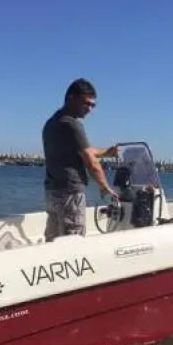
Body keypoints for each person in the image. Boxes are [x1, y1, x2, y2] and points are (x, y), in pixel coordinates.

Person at [42, 78, 119, 242]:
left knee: (52, 240)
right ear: (71, 98)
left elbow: (85, 150)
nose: (89, 109)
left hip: (52, 191)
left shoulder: (51, 123)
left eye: (93, 106)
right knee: (73, 241)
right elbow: (91, 162)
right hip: (71, 194)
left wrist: (106, 153)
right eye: (86, 103)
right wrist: (104, 187)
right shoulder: (72, 124)